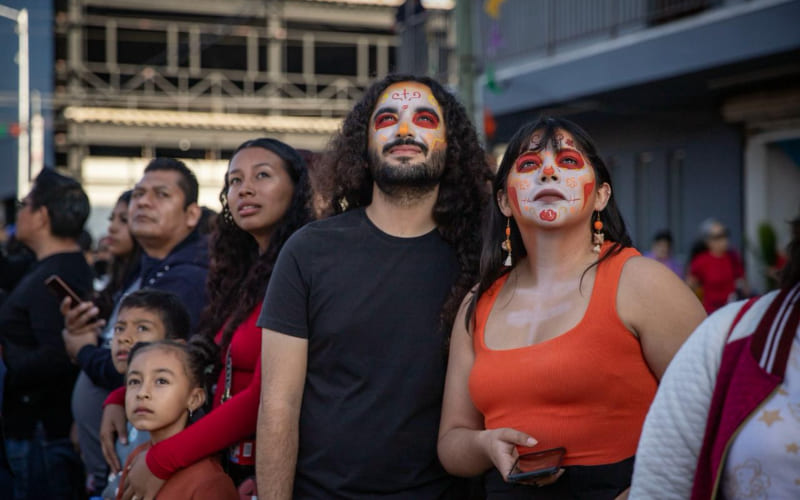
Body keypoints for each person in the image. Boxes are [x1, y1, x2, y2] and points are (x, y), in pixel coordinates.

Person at [436, 117, 707, 499]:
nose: (548, 172)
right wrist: (485, 445)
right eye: (529, 164)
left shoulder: (642, 282)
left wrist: (647, 492)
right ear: (504, 201)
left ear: (601, 196)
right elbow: (452, 442)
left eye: (567, 161)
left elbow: (718, 412)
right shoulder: (477, 302)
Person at [255, 74, 492, 499]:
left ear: (451, 145)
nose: (404, 130)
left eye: (424, 119)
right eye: (387, 119)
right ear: (364, 145)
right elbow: (278, 405)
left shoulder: (482, 258)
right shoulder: (308, 251)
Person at [114, 138, 311, 500]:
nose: (244, 189)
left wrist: (163, 460)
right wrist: (120, 395)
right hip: (232, 464)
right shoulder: (242, 274)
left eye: (262, 175)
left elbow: (267, 396)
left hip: (276, 470)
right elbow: (202, 360)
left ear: (297, 189)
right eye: (234, 180)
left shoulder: (306, 270)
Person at [630, 227, 800, 499]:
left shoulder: (731, 258)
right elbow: (662, 482)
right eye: (715, 237)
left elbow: (741, 279)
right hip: (712, 316)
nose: (720, 241)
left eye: (723, 236)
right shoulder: (723, 338)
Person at [0, 168, 94, 499]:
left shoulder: (56, 275)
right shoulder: (48, 267)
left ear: (41, 216)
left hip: (40, 436)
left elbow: (57, 355)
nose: (19, 214)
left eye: (24, 205)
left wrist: (6, 361)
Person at [68, 190, 143, 495]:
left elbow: (134, 363)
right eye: (112, 218)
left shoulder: (152, 280)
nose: (112, 227)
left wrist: (83, 349)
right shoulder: (122, 279)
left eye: (124, 220)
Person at [95, 289, 191, 499]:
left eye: (142, 328)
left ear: (177, 345)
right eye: (119, 328)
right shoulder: (128, 402)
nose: (124, 338)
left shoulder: (165, 411)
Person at [115, 340, 238, 500]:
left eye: (161, 381)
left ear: (194, 399)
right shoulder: (137, 457)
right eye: (134, 381)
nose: (142, 393)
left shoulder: (209, 482)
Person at [687, 218, 749, 313]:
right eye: (718, 237)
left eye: (725, 234)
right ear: (708, 241)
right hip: (711, 312)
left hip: (732, 309)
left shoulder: (733, 257)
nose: (723, 240)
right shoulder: (701, 261)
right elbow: (690, 287)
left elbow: (744, 285)